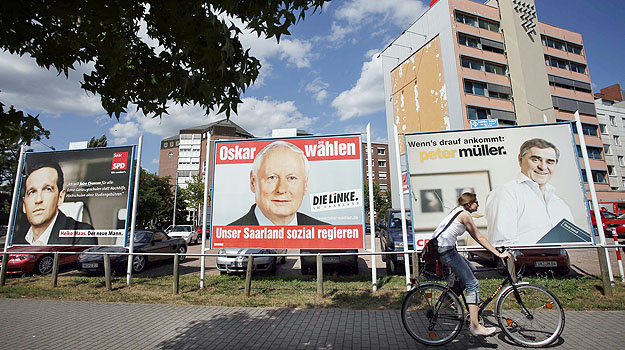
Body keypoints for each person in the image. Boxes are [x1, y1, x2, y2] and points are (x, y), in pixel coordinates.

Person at [433, 192, 510, 337]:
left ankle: (449, 298)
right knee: (472, 284)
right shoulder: (464, 215)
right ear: (469, 204)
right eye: (476, 202)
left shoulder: (457, 211)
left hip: (445, 249)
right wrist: (498, 254)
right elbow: (479, 237)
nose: (478, 204)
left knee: (472, 269)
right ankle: (475, 326)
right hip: (446, 251)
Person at [485, 138, 574, 245]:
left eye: (550, 162)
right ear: (520, 160)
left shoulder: (559, 203)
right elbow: (501, 244)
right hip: (523, 261)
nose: (543, 167)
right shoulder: (506, 193)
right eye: (535, 160)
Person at [229, 141, 328, 226]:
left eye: (292, 178)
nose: (281, 189)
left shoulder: (328, 236)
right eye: (272, 178)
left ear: (305, 185)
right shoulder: (227, 237)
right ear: (253, 182)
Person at [13, 160, 97, 245]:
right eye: (32, 192)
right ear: (24, 205)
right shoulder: (16, 240)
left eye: (47, 189)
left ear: (60, 197)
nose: (38, 200)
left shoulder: (81, 235)